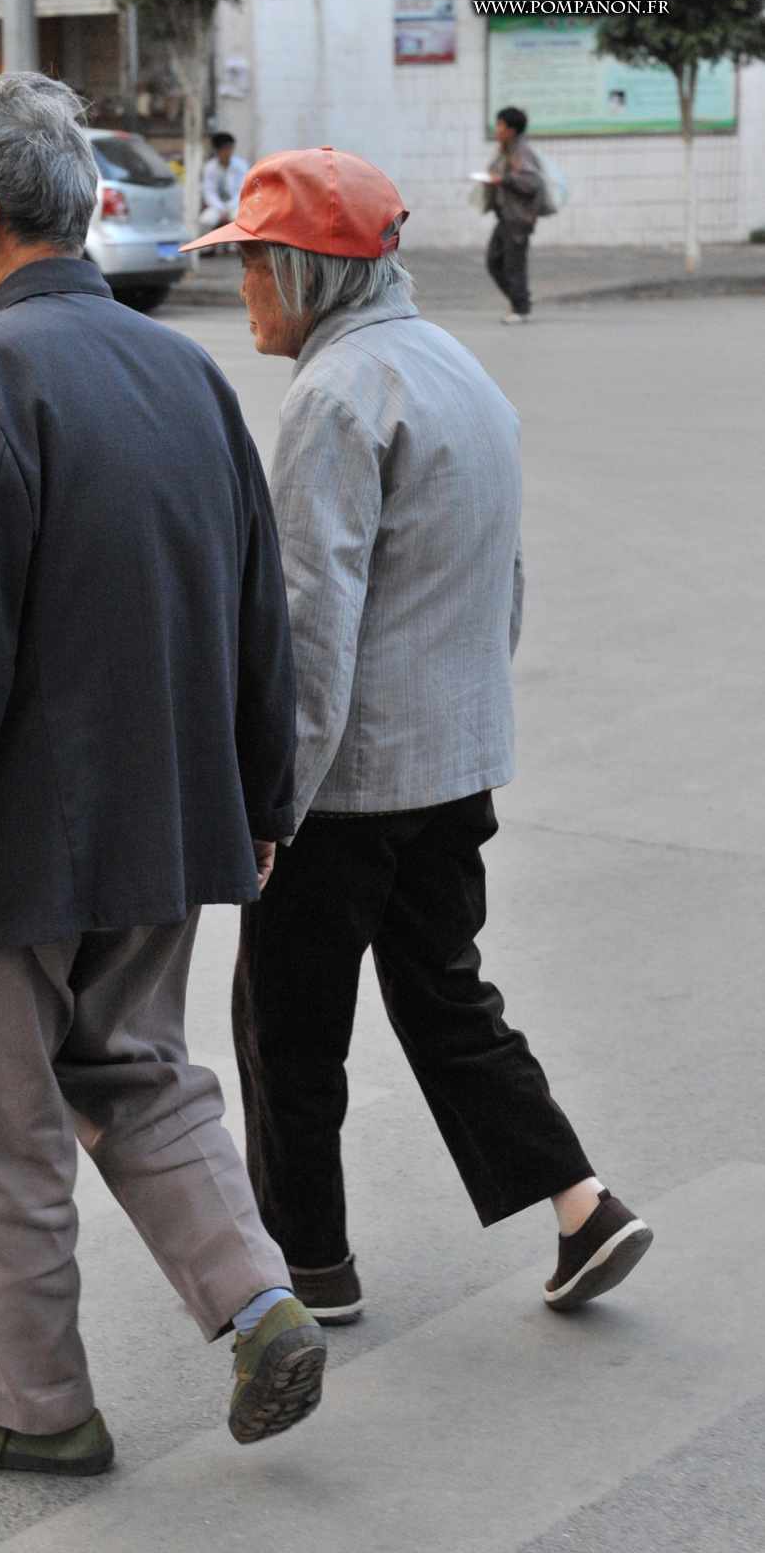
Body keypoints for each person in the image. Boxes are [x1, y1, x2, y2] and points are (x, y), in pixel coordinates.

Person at [0, 72, 327, 1477]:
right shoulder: (183, 373)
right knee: (141, 1071)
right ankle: (257, 1296)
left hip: (17, 843)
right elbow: (259, 607)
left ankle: (30, 1403)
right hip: (171, 816)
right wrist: (260, 800)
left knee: (2, 1121)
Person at [182, 147, 653, 1328]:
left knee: (286, 1027)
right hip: (451, 763)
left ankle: (311, 1264)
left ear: (307, 272)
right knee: (445, 995)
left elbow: (309, 625)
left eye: (253, 265)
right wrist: (464, 722)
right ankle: (581, 1205)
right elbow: (503, 583)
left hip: (348, 785)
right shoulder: (455, 368)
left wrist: (270, 801)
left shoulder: (334, 399)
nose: (243, 289)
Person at [485, 105, 543, 325]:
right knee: (494, 262)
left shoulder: (522, 152)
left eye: (500, 125)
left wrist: (504, 179)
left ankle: (520, 307)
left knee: (513, 265)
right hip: (505, 216)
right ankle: (520, 300)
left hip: (518, 219)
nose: (497, 129)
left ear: (511, 129)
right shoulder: (506, 149)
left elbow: (532, 182)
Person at [200, 131, 249, 229]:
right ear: (217, 150)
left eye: (230, 148)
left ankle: (236, 240)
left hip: (236, 205)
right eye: (225, 148)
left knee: (240, 219)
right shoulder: (209, 167)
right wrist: (221, 208)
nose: (228, 152)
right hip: (216, 207)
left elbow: (242, 190)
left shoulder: (241, 165)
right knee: (206, 220)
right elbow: (209, 192)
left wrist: (230, 207)